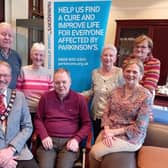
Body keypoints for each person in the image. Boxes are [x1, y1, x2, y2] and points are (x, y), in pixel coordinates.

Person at [89, 58, 152, 168]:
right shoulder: (115, 91)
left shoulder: (146, 95)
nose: (130, 74)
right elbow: (106, 112)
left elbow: (139, 128)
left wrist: (113, 133)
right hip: (110, 130)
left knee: (94, 152)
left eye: (135, 72)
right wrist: (107, 129)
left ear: (141, 75)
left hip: (130, 137)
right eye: (128, 71)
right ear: (123, 73)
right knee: (93, 153)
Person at [34, 68, 91, 168]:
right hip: (49, 141)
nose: (61, 86)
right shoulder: (46, 97)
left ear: (70, 82)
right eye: (57, 82)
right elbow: (38, 119)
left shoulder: (79, 99)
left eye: (64, 82)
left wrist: (76, 139)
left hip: (69, 143)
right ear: (53, 83)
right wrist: (44, 136)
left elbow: (87, 124)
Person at [0, 61, 38, 168]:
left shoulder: (19, 97)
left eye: (5, 75)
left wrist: (11, 149)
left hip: (18, 151)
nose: (2, 79)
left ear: (11, 77)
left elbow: (28, 127)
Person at [82, 44, 124, 140]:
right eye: (105, 55)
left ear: (115, 58)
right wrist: (78, 95)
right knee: (97, 139)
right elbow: (92, 91)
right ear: (101, 58)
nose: (108, 58)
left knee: (108, 141)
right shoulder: (95, 72)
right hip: (96, 115)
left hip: (112, 116)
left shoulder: (120, 73)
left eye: (111, 55)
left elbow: (124, 93)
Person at [16, 42, 53, 147]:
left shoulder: (48, 73)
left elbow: (51, 96)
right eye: (36, 54)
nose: (38, 57)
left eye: (41, 55)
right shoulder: (23, 70)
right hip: (25, 111)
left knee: (41, 139)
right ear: (31, 55)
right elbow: (18, 92)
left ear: (44, 57)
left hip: (42, 112)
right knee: (25, 138)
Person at [0, 22, 21, 89]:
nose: (7, 37)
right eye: (3, 34)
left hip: (11, 97)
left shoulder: (16, 56)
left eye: (10, 35)